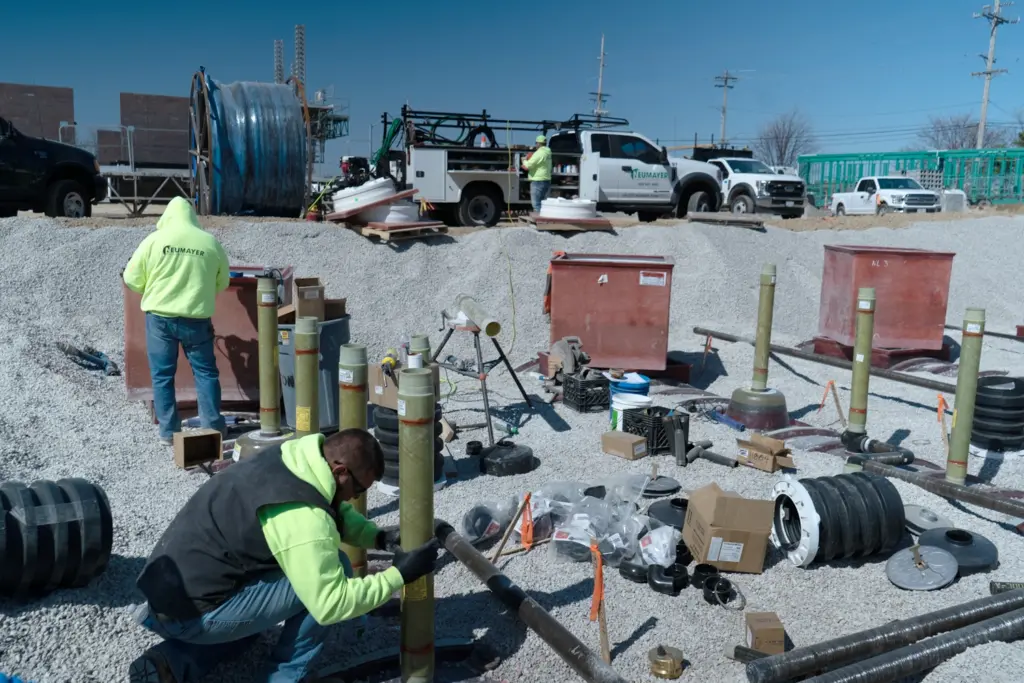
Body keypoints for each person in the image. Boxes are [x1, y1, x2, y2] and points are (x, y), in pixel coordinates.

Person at [129, 429, 442, 683]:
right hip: (193, 612)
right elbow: (330, 604)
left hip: (172, 594)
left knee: (254, 629)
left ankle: (171, 663)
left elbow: (331, 505)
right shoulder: (304, 516)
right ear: (340, 470)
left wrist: (376, 536)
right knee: (329, 580)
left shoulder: (292, 458)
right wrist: (398, 575)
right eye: (358, 489)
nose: (356, 498)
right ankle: (285, 678)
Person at [123, 197, 231, 446]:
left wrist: (152, 287)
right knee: (205, 373)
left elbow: (132, 278)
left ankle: (169, 432)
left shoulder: (153, 241)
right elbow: (223, 281)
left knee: (162, 375)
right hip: (197, 318)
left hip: (160, 318)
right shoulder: (209, 242)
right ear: (192, 217)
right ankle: (212, 427)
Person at [522, 134, 552, 213]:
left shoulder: (539, 153)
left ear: (538, 143)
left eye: (536, 143)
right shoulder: (548, 152)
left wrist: (524, 160)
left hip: (538, 181)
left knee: (536, 204)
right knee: (544, 204)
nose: (536, 145)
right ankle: (545, 222)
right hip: (547, 180)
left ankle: (539, 223)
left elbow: (528, 165)